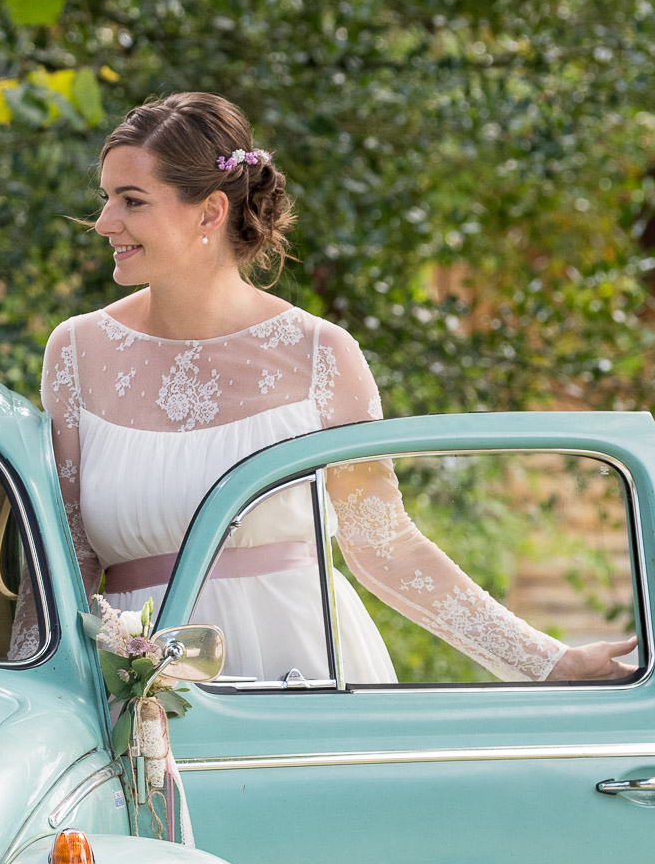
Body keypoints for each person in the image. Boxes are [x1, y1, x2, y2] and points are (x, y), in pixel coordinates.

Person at [41, 91, 633, 683]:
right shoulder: (77, 351)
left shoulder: (321, 354)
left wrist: (548, 662)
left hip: (303, 668)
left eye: (131, 201)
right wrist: (39, 687)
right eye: (106, 199)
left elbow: (386, 546)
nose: (103, 222)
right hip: (132, 686)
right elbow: (66, 559)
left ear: (209, 212)